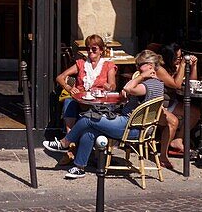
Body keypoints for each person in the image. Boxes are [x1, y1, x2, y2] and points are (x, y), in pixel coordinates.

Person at [43, 50, 165, 179]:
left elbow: (129, 88)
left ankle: (65, 143)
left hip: (130, 128)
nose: (137, 68)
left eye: (139, 65)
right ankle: (79, 168)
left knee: (88, 118)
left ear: (150, 66)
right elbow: (129, 91)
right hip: (137, 127)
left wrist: (139, 77)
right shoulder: (158, 84)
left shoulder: (147, 85)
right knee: (89, 130)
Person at [56, 34, 118, 131]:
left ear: (101, 50)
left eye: (94, 49)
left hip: (98, 102)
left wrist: (109, 87)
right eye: (88, 49)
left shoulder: (108, 65)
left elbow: (113, 85)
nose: (90, 51)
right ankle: (69, 136)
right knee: (69, 101)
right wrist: (69, 88)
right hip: (80, 100)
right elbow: (60, 77)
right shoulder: (81, 64)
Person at [156, 43, 198, 166]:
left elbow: (192, 83)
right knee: (173, 121)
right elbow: (176, 84)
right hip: (158, 104)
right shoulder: (159, 69)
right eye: (177, 57)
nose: (180, 59)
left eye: (181, 56)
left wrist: (193, 66)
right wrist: (183, 67)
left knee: (194, 113)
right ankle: (163, 156)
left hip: (170, 102)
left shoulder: (175, 66)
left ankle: (178, 140)